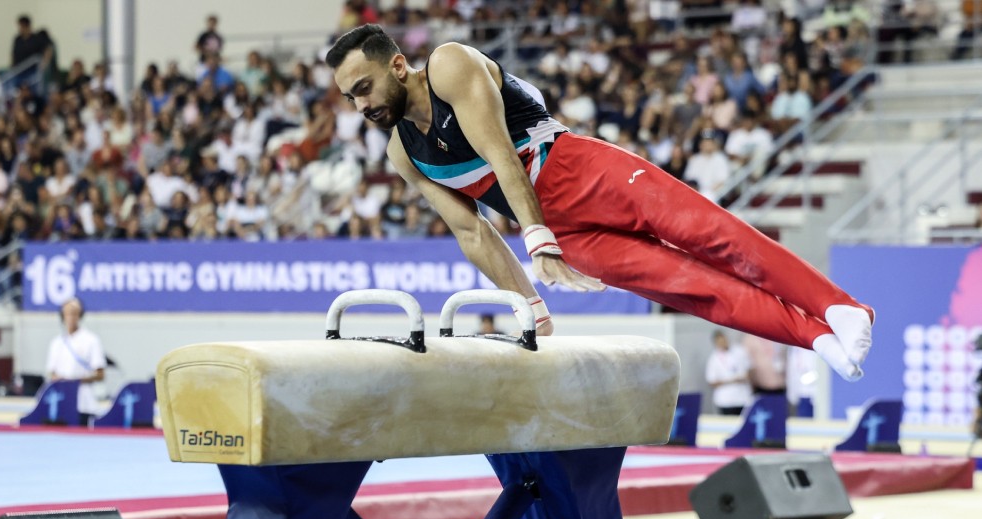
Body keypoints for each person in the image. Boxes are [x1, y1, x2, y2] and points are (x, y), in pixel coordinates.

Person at [327, 25, 874, 384]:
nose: (360, 105)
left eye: (364, 87)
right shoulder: (403, 152)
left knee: (715, 237)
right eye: (350, 97)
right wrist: (531, 308)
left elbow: (502, 156)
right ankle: (814, 336)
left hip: (581, 170)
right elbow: (472, 232)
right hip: (567, 237)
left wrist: (536, 238)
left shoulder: (449, 65)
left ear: (397, 65)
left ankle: (838, 307)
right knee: (690, 288)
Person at [46, 298, 107, 426]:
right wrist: (61, 381)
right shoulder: (57, 343)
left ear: (80, 315)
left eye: (74, 313)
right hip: (62, 402)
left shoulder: (91, 340)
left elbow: (100, 374)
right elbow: (52, 373)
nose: (70, 317)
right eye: (67, 313)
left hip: (84, 403)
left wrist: (74, 381)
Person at [705, 330, 752, 416]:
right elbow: (712, 381)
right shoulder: (714, 358)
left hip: (743, 398)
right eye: (719, 342)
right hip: (725, 400)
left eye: (723, 340)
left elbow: (749, 369)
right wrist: (732, 380)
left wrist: (745, 377)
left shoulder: (739, 350)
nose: (723, 343)